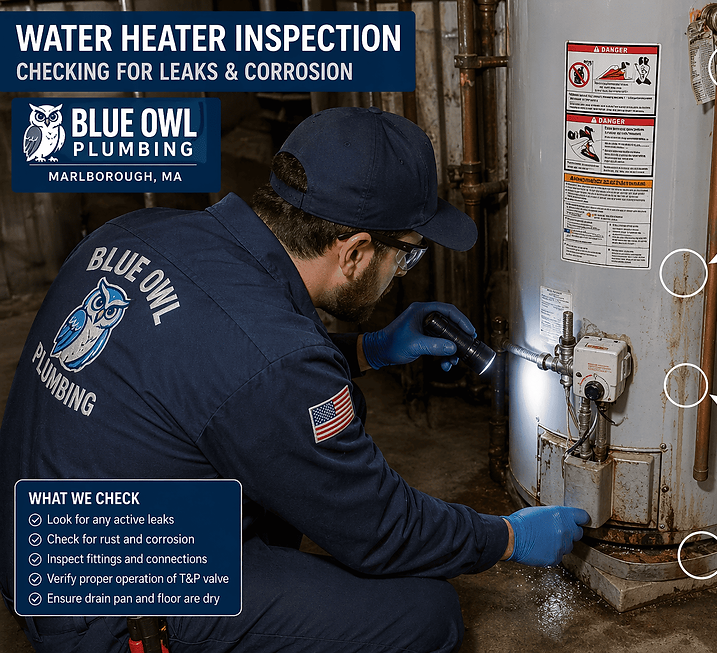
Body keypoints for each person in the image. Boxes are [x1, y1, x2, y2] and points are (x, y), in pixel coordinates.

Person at [0, 106, 589, 653]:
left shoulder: (142, 231)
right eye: (405, 255)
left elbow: (212, 365)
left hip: (38, 537)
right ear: (355, 252)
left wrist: (369, 349)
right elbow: (381, 529)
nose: (402, 271)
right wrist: (504, 537)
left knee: (290, 481)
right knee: (424, 613)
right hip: (100, 603)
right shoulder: (276, 361)